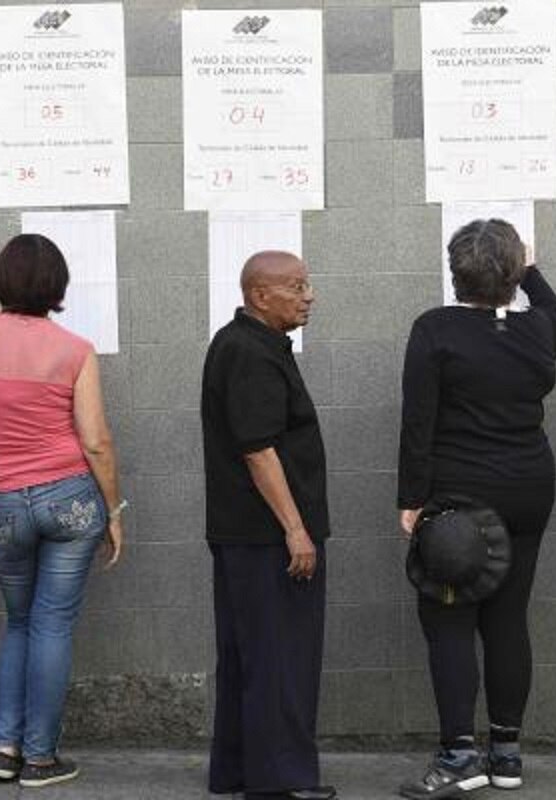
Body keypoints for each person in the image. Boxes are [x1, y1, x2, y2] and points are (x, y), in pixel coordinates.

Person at [0, 233, 124, 788]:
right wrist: (114, 510)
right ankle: (41, 758)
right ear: (59, 287)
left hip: (1, 503)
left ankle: (5, 747)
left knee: (18, 622)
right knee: (52, 625)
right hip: (67, 498)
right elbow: (95, 441)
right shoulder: (75, 348)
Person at [397, 219, 556, 798]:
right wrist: (531, 267)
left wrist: (410, 498)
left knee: (448, 619)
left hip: (458, 494)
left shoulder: (435, 329)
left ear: (455, 273)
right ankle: (506, 756)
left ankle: (457, 756)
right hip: (529, 486)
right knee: (507, 617)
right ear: (514, 272)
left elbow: (417, 420)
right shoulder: (538, 329)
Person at [200, 251, 336, 800]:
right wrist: (296, 530)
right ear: (260, 296)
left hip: (247, 536)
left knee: (249, 656)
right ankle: (281, 781)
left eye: (308, 284)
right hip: (266, 539)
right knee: (282, 659)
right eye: (297, 286)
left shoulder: (245, 345)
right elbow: (258, 450)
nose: (309, 296)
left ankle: (238, 771)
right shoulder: (251, 354)